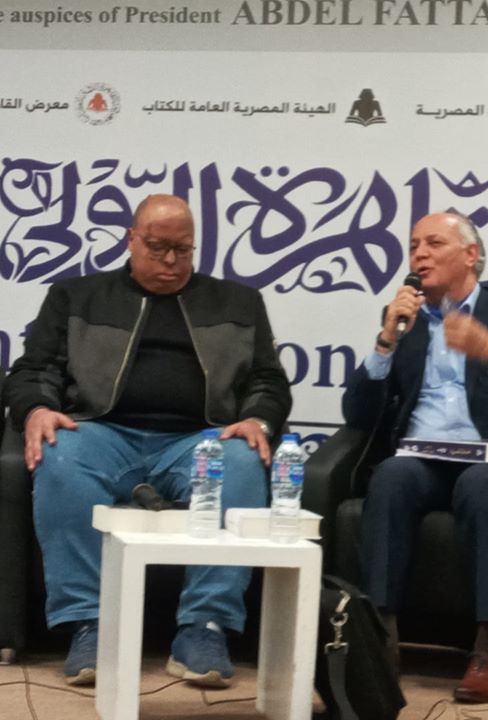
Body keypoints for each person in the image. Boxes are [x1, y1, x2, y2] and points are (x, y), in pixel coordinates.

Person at [2, 194, 291, 687]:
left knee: (243, 461)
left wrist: (257, 420)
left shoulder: (238, 303)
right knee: (59, 455)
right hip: (100, 433)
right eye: (157, 248)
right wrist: (37, 409)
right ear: (131, 240)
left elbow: (267, 380)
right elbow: (34, 369)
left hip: (198, 440)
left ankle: (205, 626)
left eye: (183, 249)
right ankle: (91, 624)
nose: (171, 261)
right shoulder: (77, 296)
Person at [342, 212, 488, 703]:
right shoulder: (405, 319)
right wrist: (385, 341)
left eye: (433, 243)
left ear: (470, 255)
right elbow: (357, 414)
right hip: (425, 460)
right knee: (392, 476)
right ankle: (379, 640)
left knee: (481, 483)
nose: (419, 254)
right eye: (413, 245)